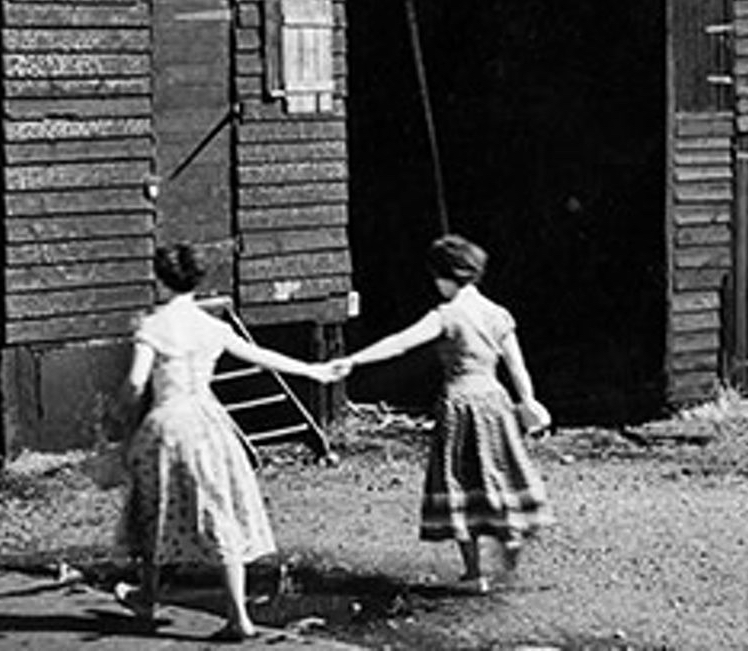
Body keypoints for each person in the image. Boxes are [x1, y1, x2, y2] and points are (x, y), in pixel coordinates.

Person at [116, 242, 335, 642]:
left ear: (159, 279)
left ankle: (148, 597)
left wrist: (120, 422)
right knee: (219, 512)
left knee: (153, 509)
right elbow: (261, 355)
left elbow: (134, 383)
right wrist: (313, 370)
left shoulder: (152, 326)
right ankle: (236, 616)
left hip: (166, 424)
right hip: (207, 424)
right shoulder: (213, 327)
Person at [329, 233, 552, 592]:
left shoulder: (447, 315)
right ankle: (510, 534)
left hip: (459, 404)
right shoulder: (497, 314)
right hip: (495, 401)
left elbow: (400, 343)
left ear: (446, 276)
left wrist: (354, 360)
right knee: (498, 471)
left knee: (459, 482)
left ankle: (474, 573)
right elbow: (517, 366)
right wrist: (528, 400)